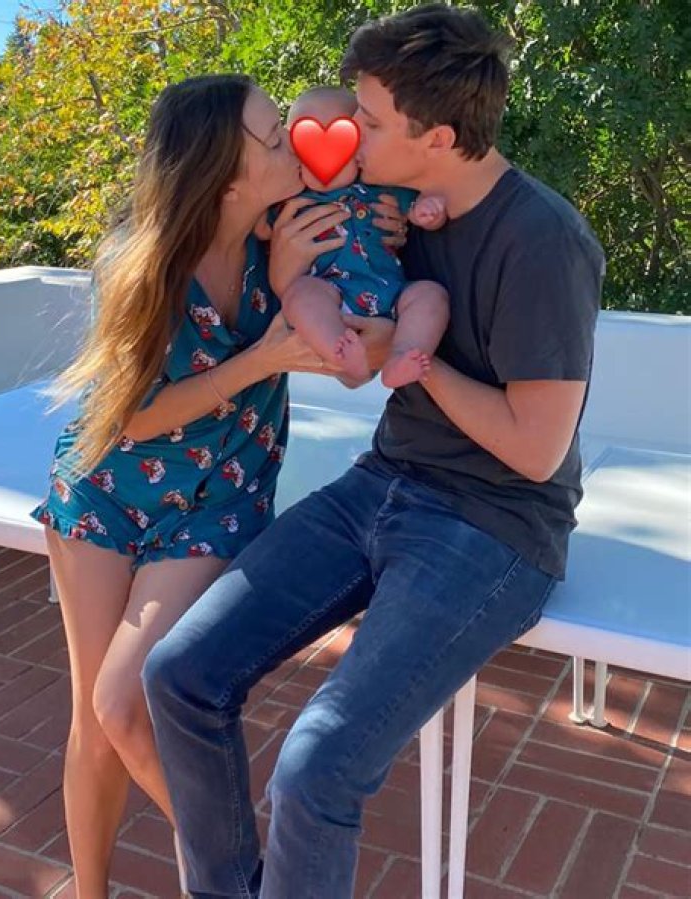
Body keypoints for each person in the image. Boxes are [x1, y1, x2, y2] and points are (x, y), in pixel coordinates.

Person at [142, 5, 605, 899]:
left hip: (496, 524)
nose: (350, 132)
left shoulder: (543, 241)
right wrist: (300, 282)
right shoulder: (399, 210)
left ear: (437, 138)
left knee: (315, 767)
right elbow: (350, 359)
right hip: (385, 482)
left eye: (372, 120)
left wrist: (412, 360)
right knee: (179, 675)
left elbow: (536, 451)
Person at [30, 72, 404, 898]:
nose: (297, 143)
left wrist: (397, 223)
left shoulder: (296, 229)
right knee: (94, 721)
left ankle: (250, 881)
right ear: (228, 179)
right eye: (276, 137)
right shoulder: (142, 264)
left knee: (126, 703)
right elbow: (131, 418)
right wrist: (261, 358)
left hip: (222, 496)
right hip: (105, 485)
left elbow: (371, 307)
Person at [262, 85, 449, 387]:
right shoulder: (291, 200)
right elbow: (261, 226)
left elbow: (417, 208)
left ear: (359, 149)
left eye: (341, 145)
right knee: (301, 294)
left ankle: (401, 356)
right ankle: (341, 356)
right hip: (331, 299)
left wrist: (429, 211)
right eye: (306, 147)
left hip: (394, 294)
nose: (322, 159)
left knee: (431, 295)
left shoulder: (379, 189)